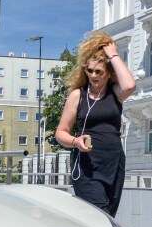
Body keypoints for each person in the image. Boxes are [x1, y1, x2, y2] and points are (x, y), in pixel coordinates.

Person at [55, 31, 137, 217]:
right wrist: (76, 142)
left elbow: (130, 85)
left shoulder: (115, 93)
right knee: (101, 215)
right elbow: (61, 132)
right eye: (89, 70)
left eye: (98, 71)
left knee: (108, 216)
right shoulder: (78, 95)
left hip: (114, 163)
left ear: (108, 73)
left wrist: (113, 55)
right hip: (87, 167)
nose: (93, 75)